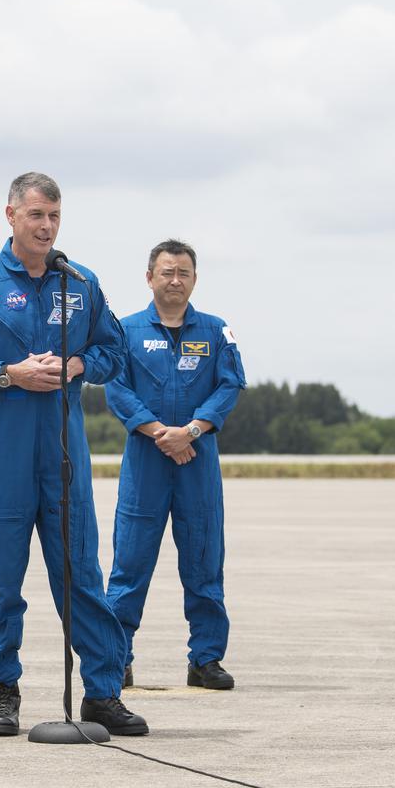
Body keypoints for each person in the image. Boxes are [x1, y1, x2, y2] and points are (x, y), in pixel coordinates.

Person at [0, 172, 147, 736]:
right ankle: (5, 691)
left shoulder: (80, 284)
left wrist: (77, 366)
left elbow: (112, 352)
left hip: (63, 457)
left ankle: (101, 693)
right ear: (10, 216)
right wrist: (10, 374)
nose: (46, 226)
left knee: (80, 576)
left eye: (54, 216)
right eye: (35, 215)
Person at [104, 239, 246, 690]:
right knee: (129, 565)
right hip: (145, 462)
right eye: (166, 272)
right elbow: (116, 388)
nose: (175, 280)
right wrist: (160, 434)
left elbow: (229, 386)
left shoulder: (216, 330)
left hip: (197, 461)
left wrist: (192, 432)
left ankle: (205, 660)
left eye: (183, 272)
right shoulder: (123, 332)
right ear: (149, 278)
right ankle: (116, 658)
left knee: (204, 560)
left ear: (195, 279)